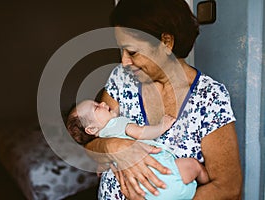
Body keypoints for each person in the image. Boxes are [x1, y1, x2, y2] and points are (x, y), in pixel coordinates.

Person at [84, 0, 243, 199]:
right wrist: (112, 146)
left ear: (166, 42)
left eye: (132, 51)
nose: (124, 61)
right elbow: (89, 145)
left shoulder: (209, 98)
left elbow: (228, 188)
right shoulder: (121, 79)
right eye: (122, 50)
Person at [66, 99, 209, 200]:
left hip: (147, 193)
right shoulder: (116, 124)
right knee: (194, 165)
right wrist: (162, 126)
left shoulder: (103, 142)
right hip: (167, 176)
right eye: (97, 107)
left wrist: (101, 166)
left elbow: (105, 161)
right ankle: (207, 182)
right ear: (91, 129)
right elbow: (141, 132)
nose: (103, 103)